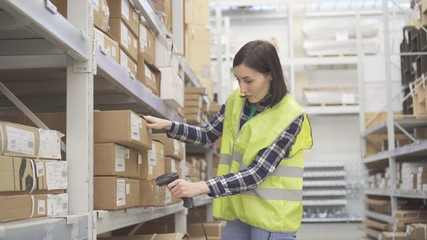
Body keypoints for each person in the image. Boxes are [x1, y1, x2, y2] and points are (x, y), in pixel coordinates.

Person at [145, 40, 313, 240]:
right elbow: (207, 134)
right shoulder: (237, 101)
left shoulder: (291, 117)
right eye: (238, 80)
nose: (242, 88)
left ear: (270, 74)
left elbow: (257, 173)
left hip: (272, 217)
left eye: (248, 81)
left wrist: (199, 187)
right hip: (242, 211)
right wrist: (169, 126)